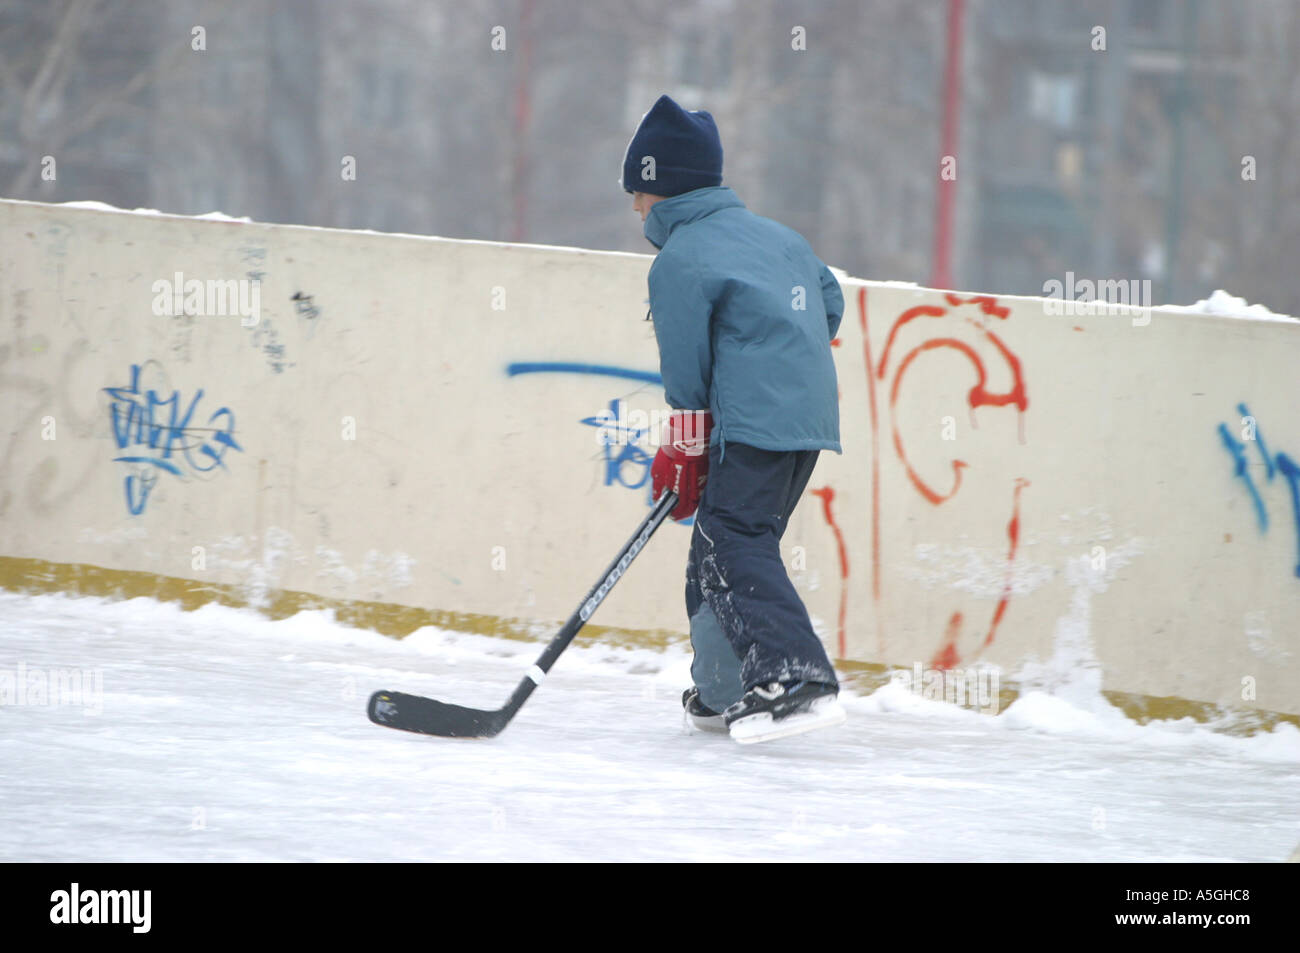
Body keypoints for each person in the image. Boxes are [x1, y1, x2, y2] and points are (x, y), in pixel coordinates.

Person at [621, 94, 847, 744]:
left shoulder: (681, 259)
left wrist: (685, 444)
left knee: (732, 540)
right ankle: (723, 688)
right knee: (722, 543)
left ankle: (795, 674)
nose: (635, 207)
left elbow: (686, 372)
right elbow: (827, 305)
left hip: (751, 422)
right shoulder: (778, 238)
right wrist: (777, 354)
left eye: (640, 191)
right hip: (804, 419)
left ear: (664, 191)